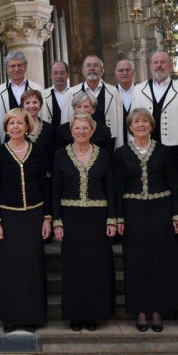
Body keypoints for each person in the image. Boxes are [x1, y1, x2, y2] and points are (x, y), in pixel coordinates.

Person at [113, 108, 178, 333]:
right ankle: (140, 311)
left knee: (159, 260)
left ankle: (157, 310)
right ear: (130, 126)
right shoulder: (121, 153)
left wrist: (177, 213)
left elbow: (173, 183)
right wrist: (118, 218)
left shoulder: (165, 152)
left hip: (160, 210)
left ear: (151, 125)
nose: (141, 125)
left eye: (145, 121)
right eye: (136, 121)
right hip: (133, 212)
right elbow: (117, 188)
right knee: (136, 262)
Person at [52, 112, 117, 332]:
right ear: (71, 131)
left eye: (85, 128)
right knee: (74, 268)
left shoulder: (104, 155)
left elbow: (111, 189)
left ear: (92, 131)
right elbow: (55, 190)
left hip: (97, 219)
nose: (81, 132)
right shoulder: (60, 155)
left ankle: (93, 314)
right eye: (77, 128)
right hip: (70, 218)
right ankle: (75, 314)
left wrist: (112, 219)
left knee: (96, 267)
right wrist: (57, 221)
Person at [0, 108, 51, 333]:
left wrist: (47, 218)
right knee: (9, 268)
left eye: (20, 123)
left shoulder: (38, 151)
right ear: (6, 128)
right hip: (7, 217)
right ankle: (11, 317)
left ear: (27, 126)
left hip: (34, 215)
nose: (16, 127)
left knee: (32, 267)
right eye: (11, 123)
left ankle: (33, 316)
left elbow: (45, 187)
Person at [133, 51, 178, 160]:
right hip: (145, 147)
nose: (159, 65)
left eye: (163, 62)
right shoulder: (138, 90)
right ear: (151, 66)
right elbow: (132, 120)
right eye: (155, 62)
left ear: (170, 66)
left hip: (174, 147)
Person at [62, 56, 123, 148]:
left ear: (102, 70)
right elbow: (65, 122)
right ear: (83, 70)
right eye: (88, 65)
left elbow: (119, 122)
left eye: (95, 65)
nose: (91, 68)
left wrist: (119, 146)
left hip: (106, 142)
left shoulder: (113, 92)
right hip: (78, 142)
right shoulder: (71, 93)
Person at [0, 51, 43, 138]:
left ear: (25, 67)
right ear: (7, 69)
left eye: (19, 65)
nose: (16, 69)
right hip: (5, 141)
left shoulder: (37, 89)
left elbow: (43, 116)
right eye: (12, 66)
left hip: (33, 139)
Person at [21, 89, 55, 167]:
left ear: (41, 105)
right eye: (27, 103)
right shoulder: (16, 128)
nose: (31, 106)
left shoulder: (49, 128)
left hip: (44, 175)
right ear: (23, 106)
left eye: (35, 102)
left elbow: (52, 155)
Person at [41, 61, 70, 127]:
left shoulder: (76, 94)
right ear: (51, 76)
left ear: (68, 74)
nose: (59, 76)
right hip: (50, 136)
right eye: (55, 73)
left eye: (62, 73)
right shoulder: (43, 95)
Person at [115, 59, 136, 144]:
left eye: (127, 70)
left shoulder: (142, 91)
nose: (124, 73)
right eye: (121, 70)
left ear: (133, 72)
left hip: (138, 139)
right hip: (118, 141)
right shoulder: (111, 93)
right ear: (116, 74)